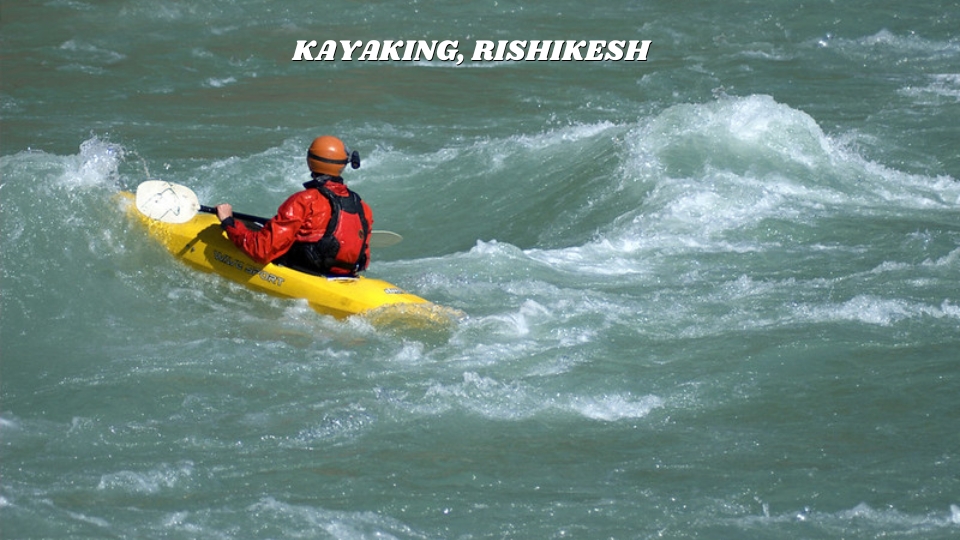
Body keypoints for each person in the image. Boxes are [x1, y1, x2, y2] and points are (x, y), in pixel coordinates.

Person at [215, 135, 373, 277]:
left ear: (310, 162)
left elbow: (261, 250)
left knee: (256, 234)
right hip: (344, 274)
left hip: (309, 271)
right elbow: (363, 260)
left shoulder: (304, 201)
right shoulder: (362, 206)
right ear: (343, 165)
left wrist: (229, 223)